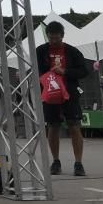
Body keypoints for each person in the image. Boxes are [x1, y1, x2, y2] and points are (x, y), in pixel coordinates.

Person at [37, 20, 87, 176]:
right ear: (47, 36)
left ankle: (78, 163)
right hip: (50, 95)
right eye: (51, 38)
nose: (54, 41)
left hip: (69, 94)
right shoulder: (40, 51)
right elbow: (33, 69)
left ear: (62, 36)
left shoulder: (72, 51)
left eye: (57, 38)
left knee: (74, 126)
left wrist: (65, 71)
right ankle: (56, 161)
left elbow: (84, 71)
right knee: (53, 126)